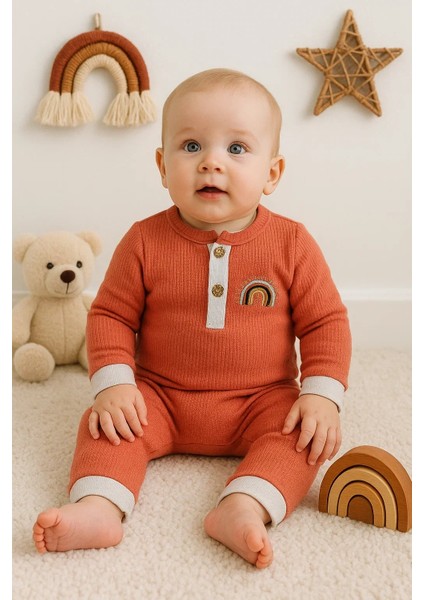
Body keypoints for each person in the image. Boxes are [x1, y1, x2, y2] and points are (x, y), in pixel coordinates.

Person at [33, 68, 351, 569]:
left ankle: (244, 505)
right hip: (159, 397)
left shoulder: (292, 243)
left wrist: (322, 396)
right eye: (191, 146)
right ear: (163, 166)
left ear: (272, 173)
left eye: (237, 148)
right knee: (105, 425)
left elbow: (325, 323)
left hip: (261, 399)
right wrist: (114, 385)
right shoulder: (143, 240)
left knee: (305, 437)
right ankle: (98, 507)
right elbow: (111, 315)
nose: (211, 163)